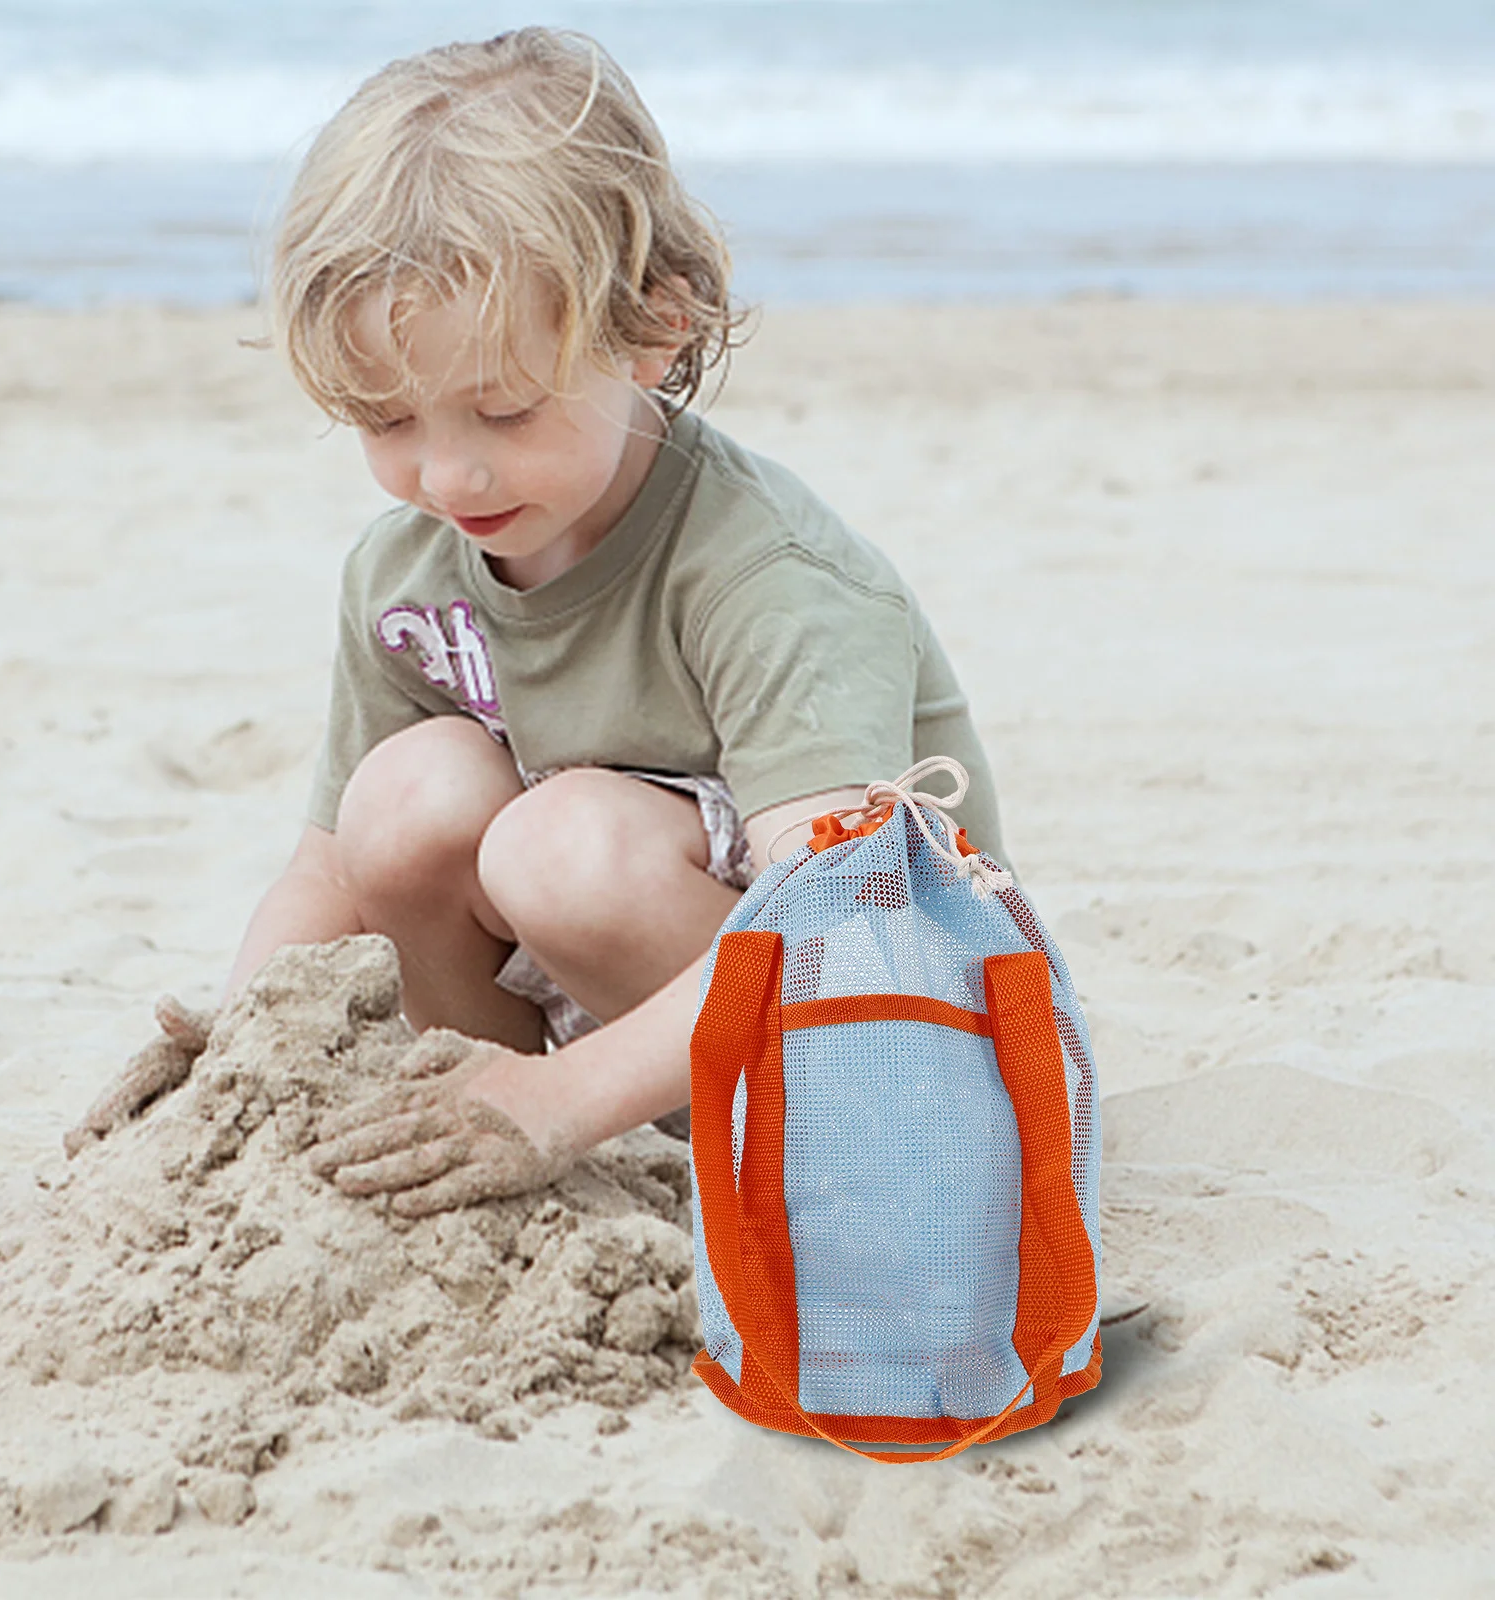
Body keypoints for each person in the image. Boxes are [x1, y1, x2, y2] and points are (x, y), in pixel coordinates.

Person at [73, 27, 1009, 1213]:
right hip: (629, 1061)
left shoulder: (766, 575)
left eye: (503, 409)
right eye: (388, 421)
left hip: (890, 1049)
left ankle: (577, 1125)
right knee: (405, 798)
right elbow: (325, 872)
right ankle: (482, 1139)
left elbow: (841, 923)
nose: (450, 477)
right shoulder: (409, 570)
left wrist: (561, 1106)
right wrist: (240, 1051)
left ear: (656, 325)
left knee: (558, 844)